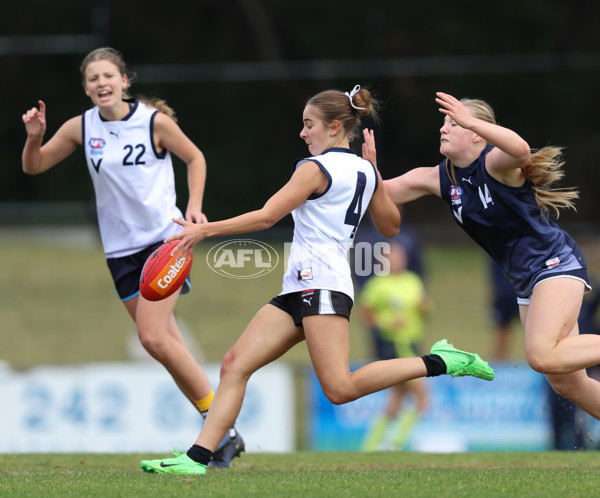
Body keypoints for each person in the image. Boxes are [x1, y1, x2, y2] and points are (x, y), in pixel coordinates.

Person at [139, 85, 494, 475]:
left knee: (339, 387)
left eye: (309, 125)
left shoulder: (314, 168)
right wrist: (373, 173)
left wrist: (203, 232)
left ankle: (440, 361)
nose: (303, 133)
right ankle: (196, 460)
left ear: (335, 126)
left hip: (320, 283)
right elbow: (390, 226)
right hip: (302, 283)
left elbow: (267, 216)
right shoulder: (362, 169)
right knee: (235, 363)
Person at [21, 47, 243, 468]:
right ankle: (223, 434)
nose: (101, 83)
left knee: (153, 338)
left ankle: (219, 431)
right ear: (86, 89)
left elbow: (195, 157)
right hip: (120, 252)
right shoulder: (81, 128)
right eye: (93, 79)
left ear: (125, 80)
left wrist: (194, 207)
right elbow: (35, 167)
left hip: (164, 243)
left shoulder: (153, 122)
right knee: (168, 345)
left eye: (109, 76)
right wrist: (34, 138)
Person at [373, 91, 600, 422]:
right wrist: (368, 171)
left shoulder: (494, 162)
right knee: (567, 382)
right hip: (526, 280)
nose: (443, 129)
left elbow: (521, 150)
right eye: (444, 123)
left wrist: (468, 118)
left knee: (541, 355)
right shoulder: (442, 177)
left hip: (553, 264)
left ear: (476, 132)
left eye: (453, 122)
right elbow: (383, 193)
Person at [359, 242, 430, 451]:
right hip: (395, 345)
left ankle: (370, 446)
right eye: (393, 257)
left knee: (396, 401)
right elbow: (366, 315)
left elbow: (426, 311)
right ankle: (394, 442)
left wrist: (424, 307)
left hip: (412, 342)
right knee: (422, 399)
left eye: (401, 256)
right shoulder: (378, 285)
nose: (398, 261)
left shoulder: (413, 281)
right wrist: (388, 323)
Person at [489, 260, 519, 360]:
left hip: (524, 288)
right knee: (503, 326)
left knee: (533, 327)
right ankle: (499, 361)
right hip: (505, 292)